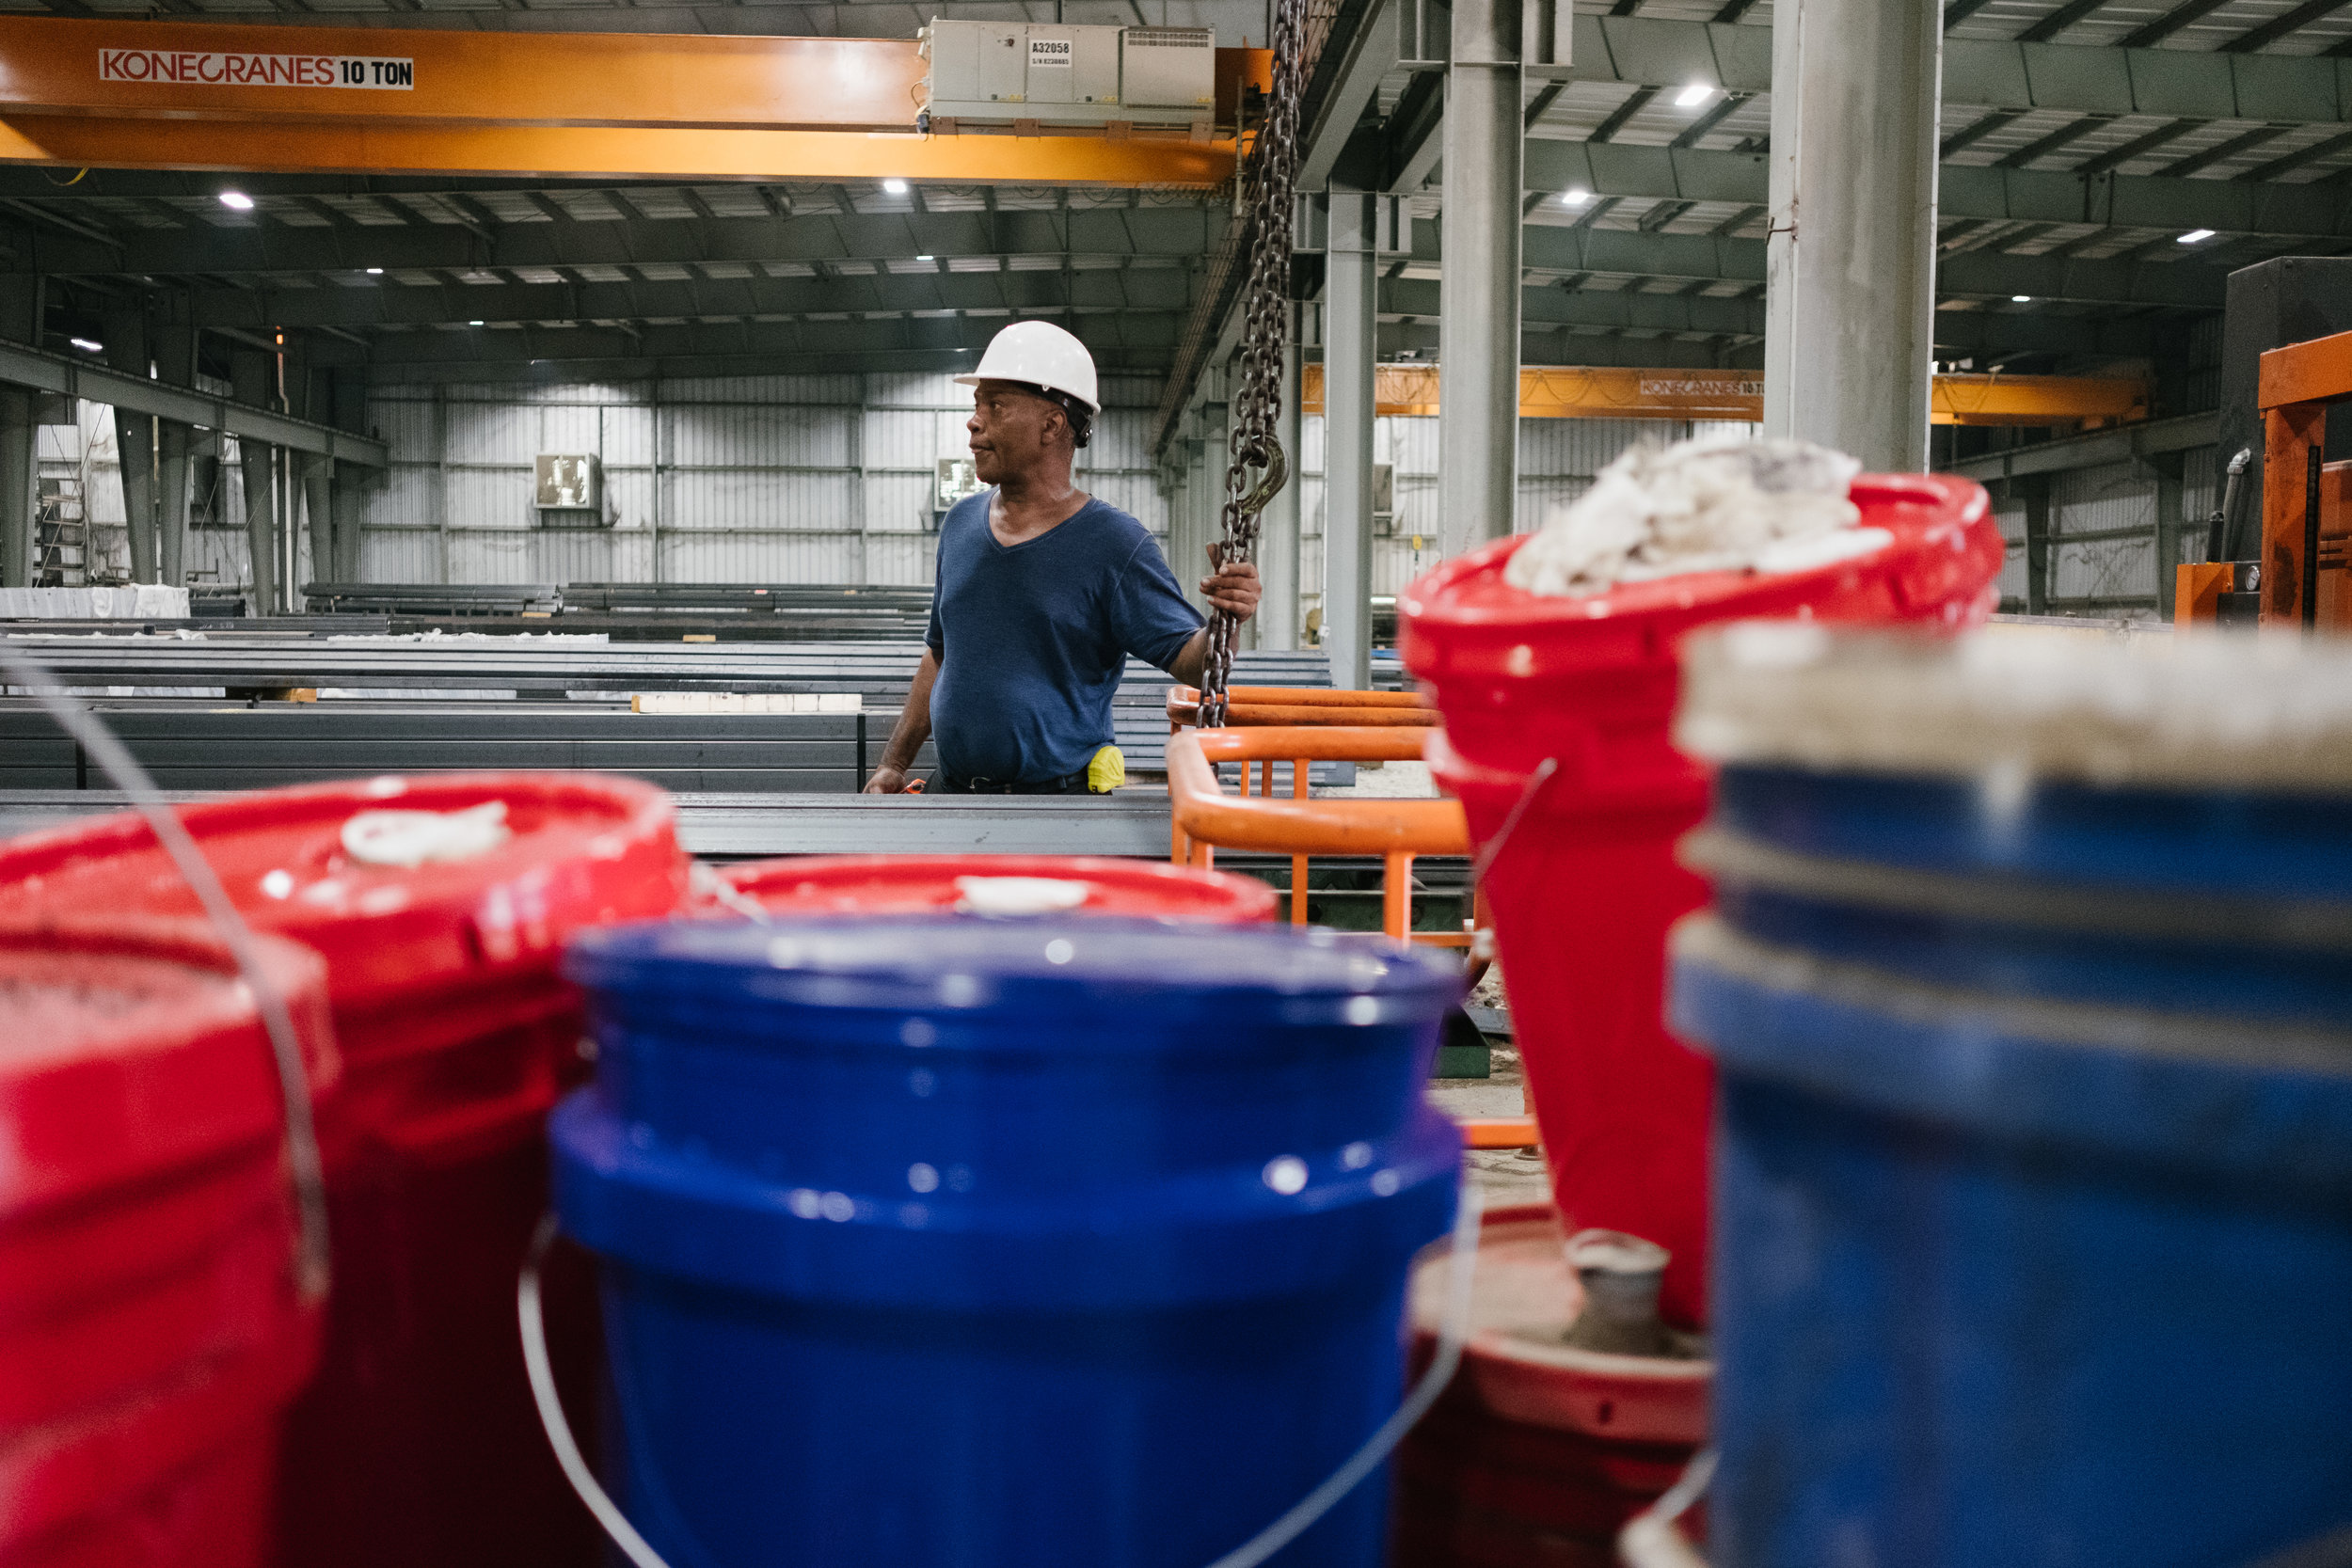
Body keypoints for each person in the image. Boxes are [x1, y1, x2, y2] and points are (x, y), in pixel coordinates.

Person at [863, 322, 1261, 795]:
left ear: (1052, 424)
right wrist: (893, 763)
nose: (974, 421)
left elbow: (1195, 665)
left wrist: (1228, 619)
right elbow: (941, 652)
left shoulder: (1114, 543)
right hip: (954, 795)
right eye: (976, 405)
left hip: (1058, 804)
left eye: (995, 405)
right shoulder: (961, 525)